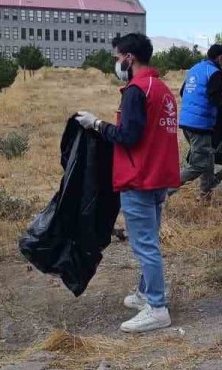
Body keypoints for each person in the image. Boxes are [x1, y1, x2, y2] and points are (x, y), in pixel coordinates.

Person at [74, 33, 180, 333]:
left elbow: (129, 136)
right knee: (151, 240)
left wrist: (97, 124)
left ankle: (157, 308)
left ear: (129, 58)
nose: (116, 63)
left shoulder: (136, 90)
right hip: (159, 175)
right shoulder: (160, 88)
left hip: (139, 177)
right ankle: (146, 294)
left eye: (117, 57)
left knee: (145, 244)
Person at [178, 44, 222, 201]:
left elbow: (183, 92)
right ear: (220, 57)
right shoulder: (214, 73)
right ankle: (163, 191)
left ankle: (205, 198)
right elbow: (216, 98)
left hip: (186, 123)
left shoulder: (195, 68)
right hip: (199, 125)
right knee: (198, 165)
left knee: (207, 159)